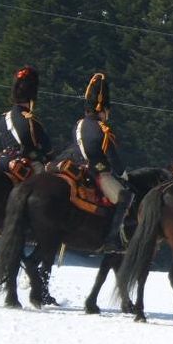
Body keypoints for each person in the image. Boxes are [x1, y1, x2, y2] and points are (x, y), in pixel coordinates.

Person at [71, 72, 133, 252]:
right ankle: (112, 239)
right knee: (125, 197)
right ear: (102, 109)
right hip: (98, 173)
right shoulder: (102, 129)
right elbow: (113, 157)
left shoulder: (78, 124)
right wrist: (122, 174)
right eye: (107, 111)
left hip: (79, 169)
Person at [0, 65, 52, 174]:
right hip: (30, 166)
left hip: (8, 163)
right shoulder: (31, 121)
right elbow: (47, 150)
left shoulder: (3, 119)